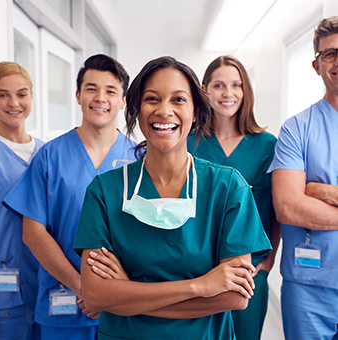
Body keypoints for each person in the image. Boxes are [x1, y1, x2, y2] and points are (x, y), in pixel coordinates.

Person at [73, 56, 271, 340]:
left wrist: (128, 293)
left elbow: (235, 298)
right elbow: (95, 295)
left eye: (178, 100)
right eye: (152, 99)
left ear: (196, 113)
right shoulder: (105, 191)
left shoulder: (228, 187)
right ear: (137, 110)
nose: (164, 111)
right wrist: (200, 286)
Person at [3, 54, 137, 340]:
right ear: (77, 95)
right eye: (91, 88)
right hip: (62, 303)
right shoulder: (50, 156)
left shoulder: (141, 159)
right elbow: (33, 233)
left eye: (111, 90)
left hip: (124, 309)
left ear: (123, 100)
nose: (100, 98)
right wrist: (83, 287)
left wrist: (114, 294)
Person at [187, 55, 281, 340]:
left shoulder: (267, 145)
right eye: (218, 85)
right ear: (204, 90)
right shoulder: (189, 143)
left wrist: (269, 259)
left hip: (249, 272)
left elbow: (276, 210)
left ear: (245, 90)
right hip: (197, 270)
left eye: (236, 85)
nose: (228, 93)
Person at [267, 16, 338, 339]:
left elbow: (301, 199)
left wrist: (320, 191)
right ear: (316, 65)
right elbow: (288, 207)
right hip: (309, 288)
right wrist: (303, 195)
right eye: (330, 53)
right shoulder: (297, 129)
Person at [0, 61, 44, 340]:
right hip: (4, 286)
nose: (13, 102)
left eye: (21, 93)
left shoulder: (46, 151)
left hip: (49, 283)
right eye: (1, 94)